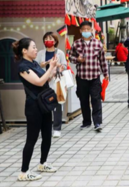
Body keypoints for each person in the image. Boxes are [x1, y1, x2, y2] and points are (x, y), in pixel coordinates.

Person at [13, 38, 59, 181]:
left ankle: (42, 163)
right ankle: (23, 172)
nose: (36, 49)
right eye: (33, 47)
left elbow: (46, 80)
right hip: (33, 107)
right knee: (31, 139)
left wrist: (54, 68)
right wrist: (50, 69)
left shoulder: (34, 64)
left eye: (35, 47)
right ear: (24, 51)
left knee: (47, 135)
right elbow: (38, 82)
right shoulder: (23, 67)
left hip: (44, 104)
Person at [70, 21, 108, 132]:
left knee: (96, 100)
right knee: (83, 100)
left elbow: (102, 60)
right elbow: (70, 56)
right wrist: (77, 59)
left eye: (88, 29)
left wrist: (105, 74)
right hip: (81, 77)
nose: (86, 31)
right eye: (83, 29)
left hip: (95, 77)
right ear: (80, 31)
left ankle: (97, 122)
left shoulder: (98, 43)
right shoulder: (76, 44)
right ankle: (86, 122)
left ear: (92, 30)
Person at [36, 32, 67, 138]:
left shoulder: (60, 53)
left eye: (50, 38)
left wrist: (58, 65)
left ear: (55, 41)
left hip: (56, 81)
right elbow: (35, 67)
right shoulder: (40, 53)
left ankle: (57, 128)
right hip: (44, 81)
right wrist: (43, 64)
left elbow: (65, 66)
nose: (48, 40)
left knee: (57, 104)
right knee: (44, 104)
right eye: (46, 38)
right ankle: (45, 127)